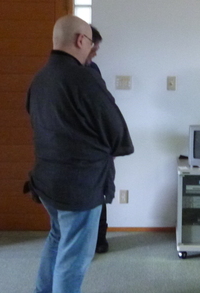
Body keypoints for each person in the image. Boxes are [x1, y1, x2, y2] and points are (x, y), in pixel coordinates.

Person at [26, 15, 134, 293]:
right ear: (80, 40)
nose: (91, 49)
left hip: (47, 180)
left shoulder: (40, 78)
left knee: (57, 237)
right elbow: (116, 130)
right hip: (79, 185)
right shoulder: (83, 78)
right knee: (75, 256)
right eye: (89, 42)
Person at [84, 25, 109, 254]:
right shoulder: (65, 74)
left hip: (97, 146)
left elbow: (103, 106)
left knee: (99, 194)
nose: (95, 53)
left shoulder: (93, 69)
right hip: (78, 151)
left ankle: (100, 239)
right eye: (94, 48)